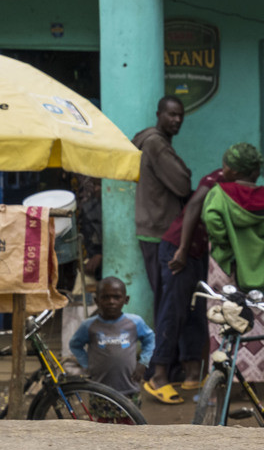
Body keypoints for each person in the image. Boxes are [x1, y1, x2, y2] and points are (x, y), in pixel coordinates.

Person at [143, 148, 233, 402]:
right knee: (173, 311)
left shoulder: (232, 182)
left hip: (196, 252)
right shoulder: (218, 180)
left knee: (195, 310)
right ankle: (158, 376)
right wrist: (182, 250)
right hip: (179, 250)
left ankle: (192, 373)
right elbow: (193, 206)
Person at [202, 143, 264, 293]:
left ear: (233, 170)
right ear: (256, 172)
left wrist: (227, 245)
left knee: (226, 313)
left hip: (226, 269)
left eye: (224, 165)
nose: (222, 169)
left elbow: (211, 219)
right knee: (258, 313)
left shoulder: (219, 195)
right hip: (263, 274)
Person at [131, 97, 191, 306]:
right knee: (168, 298)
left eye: (181, 115)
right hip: (159, 229)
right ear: (159, 115)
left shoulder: (157, 141)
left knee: (164, 296)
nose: (177, 120)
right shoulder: (156, 144)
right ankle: (165, 339)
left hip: (153, 228)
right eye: (172, 114)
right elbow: (182, 185)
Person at [68, 277, 154, 405]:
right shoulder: (89, 325)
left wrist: (143, 363)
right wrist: (86, 364)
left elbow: (150, 338)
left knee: (130, 422)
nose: (111, 302)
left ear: (126, 300)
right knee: (102, 424)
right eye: (105, 297)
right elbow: (75, 345)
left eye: (116, 297)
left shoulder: (134, 323)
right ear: (97, 301)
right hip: (100, 389)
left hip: (129, 387)